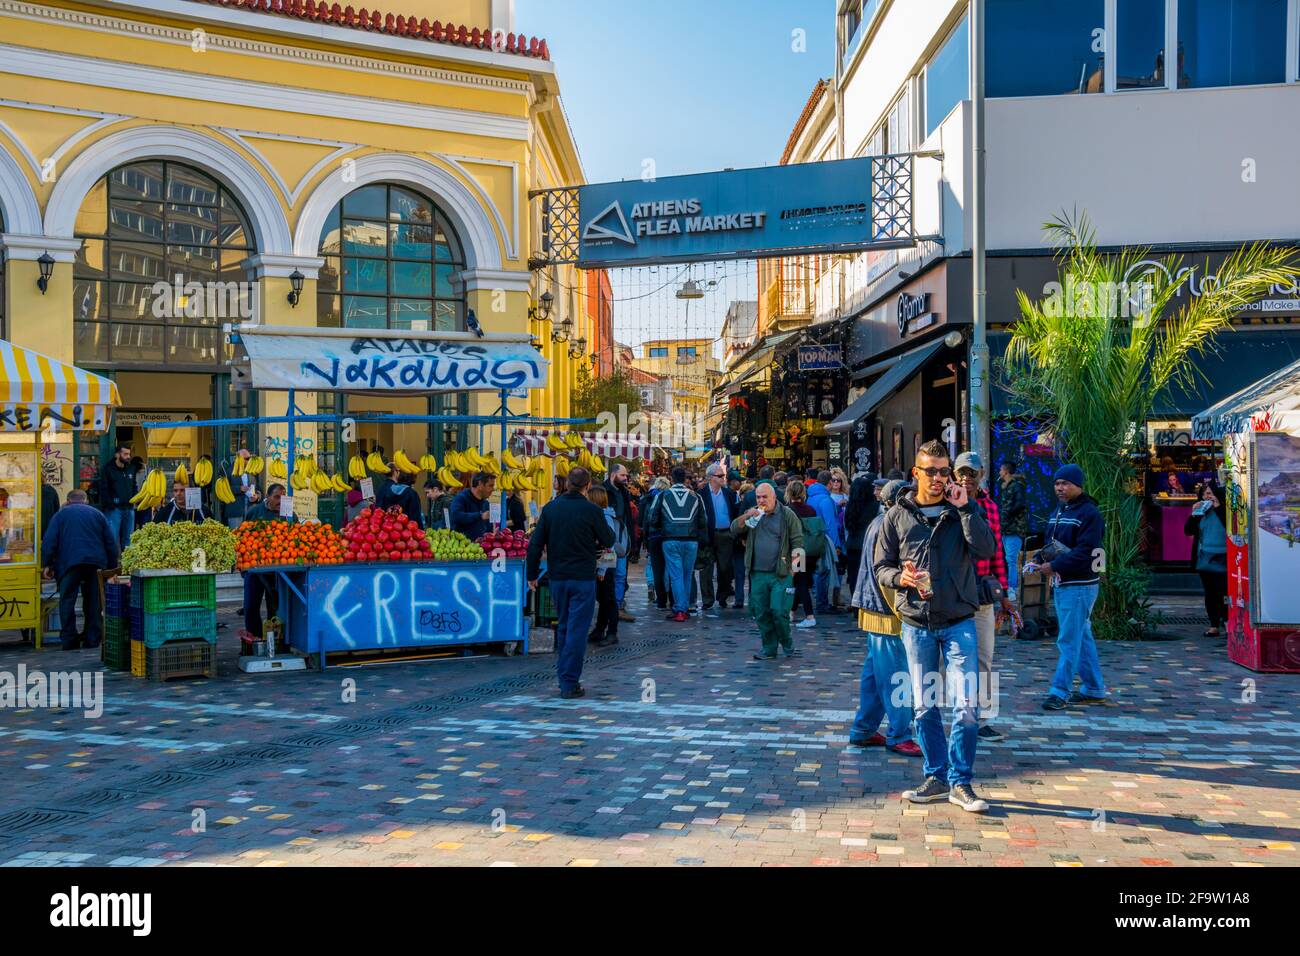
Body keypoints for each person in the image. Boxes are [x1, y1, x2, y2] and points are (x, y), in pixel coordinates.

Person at [875, 439, 996, 813]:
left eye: (945, 471)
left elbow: (987, 549)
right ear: (916, 473)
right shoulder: (898, 515)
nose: (940, 478)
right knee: (925, 708)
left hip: (960, 619)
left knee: (967, 706)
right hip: (917, 622)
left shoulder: (962, 508)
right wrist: (902, 579)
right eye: (932, 471)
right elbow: (881, 566)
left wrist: (965, 508)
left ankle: (961, 782)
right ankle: (936, 777)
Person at [526, 467, 615, 699]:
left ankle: (565, 675)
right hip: (583, 578)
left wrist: (532, 573)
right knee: (576, 629)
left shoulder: (551, 509)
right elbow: (608, 539)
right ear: (587, 486)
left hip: (558, 577)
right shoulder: (592, 511)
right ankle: (568, 681)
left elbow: (535, 543)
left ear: (567, 485)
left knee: (565, 625)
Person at [849, 479, 921, 756]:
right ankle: (899, 734)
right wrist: (903, 611)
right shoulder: (889, 524)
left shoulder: (878, 522)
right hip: (887, 611)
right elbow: (885, 574)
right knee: (896, 677)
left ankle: (864, 728)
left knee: (875, 676)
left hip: (873, 609)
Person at [1037, 463, 1108, 711]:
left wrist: (1055, 566)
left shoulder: (1090, 514)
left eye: (1065, 483)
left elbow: (1087, 552)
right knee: (1081, 637)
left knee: (1068, 640)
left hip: (1079, 585)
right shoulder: (1059, 510)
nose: (1060, 487)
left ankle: (1060, 690)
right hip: (1064, 582)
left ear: (1078, 485)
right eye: (1057, 483)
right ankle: (1094, 687)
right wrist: (1040, 559)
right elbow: (1052, 542)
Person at [954, 452, 1013, 743]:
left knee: (984, 658)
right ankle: (953, 716)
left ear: (982, 474)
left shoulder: (989, 505)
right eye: (962, 472)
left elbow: (998, 550)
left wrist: (1004, 591)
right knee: (948, 660)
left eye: (972, 472)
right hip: (951, 594)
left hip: (981, 594)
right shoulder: (946, 502)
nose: (967, 478)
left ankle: (983, 718)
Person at [731, 481, 805, 660]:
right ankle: (769, 649)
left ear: (774, 497)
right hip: (757, 573)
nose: (762, 500)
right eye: (758, 497)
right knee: (761, 613)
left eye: (765, 497)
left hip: (781, 574)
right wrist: (746, 515)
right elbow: (734, 529)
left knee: (779, 612)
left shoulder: (787, 515)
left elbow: (799, 544)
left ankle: (787, 642)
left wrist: (794, 573)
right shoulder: (754, 515)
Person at [40, 489, 120, 651]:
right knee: (94, 602)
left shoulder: (60, 515)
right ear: (86, 501)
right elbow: (111, 543)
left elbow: (49, 541)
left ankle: (69, 640)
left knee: (67, 600)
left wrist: (47, 564)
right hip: (95, 563)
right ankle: (92, 639)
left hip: (69, 563)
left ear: (68, 501)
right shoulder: (97, 514)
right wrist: (111, 568)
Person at [647, 466, 707, 622]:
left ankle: (679, 609)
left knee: (676, 576)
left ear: (671, 479)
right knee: (687, 575)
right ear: (686, 479)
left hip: (670, 540)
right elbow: (703, 521)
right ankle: (684, 607)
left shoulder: (663, 495)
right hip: (691, 541)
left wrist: (662, 529)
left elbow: (652, 519)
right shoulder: (696, 496)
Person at [243, 483, 287, 639]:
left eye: (283, 497)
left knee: (274, 608)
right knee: (250, 607)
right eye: (276, 497)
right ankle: (253, 639)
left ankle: (274, 641)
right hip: (254, 569)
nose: (280, 501)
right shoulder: (254, 512)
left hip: (277, 571)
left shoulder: (288, 514)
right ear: (268, 497)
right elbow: (242, 537)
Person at [1186, 479, 1229, 636]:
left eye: (1210, 493)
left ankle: (1227, 621)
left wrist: (1218, 508)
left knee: (1224, 591)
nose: (1207, 496)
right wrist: (1194, 514)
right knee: (1210, 592)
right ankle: (1214, 625)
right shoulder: (1201, 511)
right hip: (1205, 556)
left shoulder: (1224, 510)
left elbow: (1230, 526)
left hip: (1224, 556)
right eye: (1204, 494)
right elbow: (1188, 531)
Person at [586, 485, 624, 648]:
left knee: (608, 598)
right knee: (602, 598)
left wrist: (602, 569)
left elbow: (610, 546)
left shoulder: (604, 517)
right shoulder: (601, 515)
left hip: (606, 563)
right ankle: (600, 629)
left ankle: (612, 632)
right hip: (602, 562)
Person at [698, 462, 739, 610]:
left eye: (724, 475)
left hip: (725, 534)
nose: (723, 478)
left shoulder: (730, 494)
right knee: (706, 569)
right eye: (720, 475)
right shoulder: (701, 494)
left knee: (725, 568)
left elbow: (735, 513)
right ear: (710, 478)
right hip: (708, 535)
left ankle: (722, 596)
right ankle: (707, 600)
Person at [782, 481, 820, 629]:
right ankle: (791, 612)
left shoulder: (787, 510)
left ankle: (810, 616)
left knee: (800, 583)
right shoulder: (810, 509)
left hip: (797, 551)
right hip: (811, 551)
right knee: (801, 581)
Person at [807, 470, 844, 615]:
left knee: (817, 572)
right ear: (829, 483)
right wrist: (836, 545)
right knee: (823, 571)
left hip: (812, 538)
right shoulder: (826, 500)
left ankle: (820, 601)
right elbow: (830, 524)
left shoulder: (811, 496)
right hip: (823, 539)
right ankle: (822, 604)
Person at [604, 464, 636, 623]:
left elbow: (628, 518)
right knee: (607, 574)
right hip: (607, 542)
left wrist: (632, 541)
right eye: (623, 475)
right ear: (613, 474)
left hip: (622, 541)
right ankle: (608, 608)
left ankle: (617, 607)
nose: (625, 478)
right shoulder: (603, 491)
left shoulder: (624, 492)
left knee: (621, 574)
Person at [842, 473, 880, 601]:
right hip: (869, 544)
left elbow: (846, 525)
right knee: (868, 575)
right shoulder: (875, 506)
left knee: (853, 576)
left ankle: (855, 603)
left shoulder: (850, 505)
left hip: (852, 544)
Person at [996, 460, 1029, 599]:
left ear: (1006, 471)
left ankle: (1013, 589)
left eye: (1001, 470)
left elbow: (1020, 504)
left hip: (1014, 529)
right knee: (1006, 558)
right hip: (1005, 528)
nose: (999, 472)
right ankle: (1008, 587)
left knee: (1012, 559)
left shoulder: (1016, 486)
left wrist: (1007, 514)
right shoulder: (1006, 487)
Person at [96, 443, 137, 550]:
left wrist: (134, 500)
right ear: (117, 455)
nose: (128, 456)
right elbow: (103, 489)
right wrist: (110, 505)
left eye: (129, 454)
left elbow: (134, 486)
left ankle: (127, 563)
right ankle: (112, 564)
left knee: (129, 539)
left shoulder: (131, 468)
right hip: (114, 510)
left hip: (129, 508)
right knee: (112, 538)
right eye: (125, 454)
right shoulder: (108, 469)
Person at [641, 476, 670, 610]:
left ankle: (661, 600)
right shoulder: (669, 498)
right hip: (667, 536)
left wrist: (645, 540)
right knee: (669, 569)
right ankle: (671, 597)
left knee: (656, 568)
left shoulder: (648, 498)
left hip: (653, 537)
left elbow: (645, 521)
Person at [450, 471, 496, 541]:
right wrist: (480, 516)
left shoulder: (486, 503)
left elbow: (488, 528)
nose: (493, 489)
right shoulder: (461, 498)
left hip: (481, 548)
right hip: (462, 548)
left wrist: (493, 533)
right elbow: (456, 516)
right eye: (490, 485)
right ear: (480, 484)